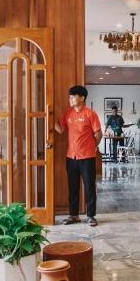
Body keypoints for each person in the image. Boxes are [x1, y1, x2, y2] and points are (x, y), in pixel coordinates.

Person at [53, 85, 102, 226]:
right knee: (72, 187)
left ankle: (91, 216)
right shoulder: (68, 114)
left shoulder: (90, 114)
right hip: (71, 157)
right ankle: (73, 215)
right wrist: (51, 118)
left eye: (73, 96)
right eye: (70, 97)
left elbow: (98, 134)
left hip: (87, 157)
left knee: (89, 187)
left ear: (82, 98)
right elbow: (60, 129)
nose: (70, 99)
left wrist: (93, 146)